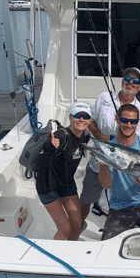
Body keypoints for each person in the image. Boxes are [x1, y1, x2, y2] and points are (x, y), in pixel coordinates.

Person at [80, 68, 140, 222]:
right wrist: (98, 135)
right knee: (86, 200)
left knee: (122, 205)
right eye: (128, 78)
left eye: (136, 81)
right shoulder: (104, 97)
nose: (130, 82)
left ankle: (117, 229)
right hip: (98, 160)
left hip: (123, 168)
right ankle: (77, 231)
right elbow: (91, 120)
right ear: (122, 79)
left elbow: (137, 141)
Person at [97, 104, 140, 240]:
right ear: (117, 120)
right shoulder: (111, 149)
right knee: (107, 245)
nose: (129, 125)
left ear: (137, 123)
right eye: (124, 120)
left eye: (133, 121)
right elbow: (106, 185)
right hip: (119, 207)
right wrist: (104, 166)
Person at [36, 102, 92, 240]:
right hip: (48, 186)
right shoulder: (60, 136)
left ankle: (69, 251)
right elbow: (39, 165)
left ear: (90, 121)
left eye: (86, 117)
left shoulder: (85, 136)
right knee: (65, 228)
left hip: (66, 183)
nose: (82, 120)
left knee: (77, 224)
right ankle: (54, 258)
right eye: (78, 115)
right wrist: (49, 148)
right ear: (70, 117)